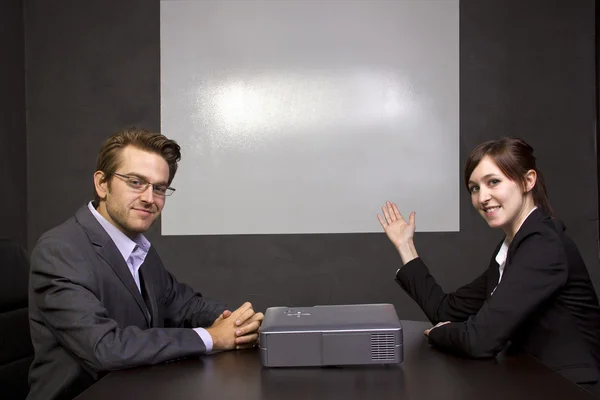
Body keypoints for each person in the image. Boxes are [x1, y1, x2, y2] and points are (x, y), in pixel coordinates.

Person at [27, 128, 264, 400]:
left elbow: (186, 305)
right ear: (102, 184)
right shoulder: (60, 250)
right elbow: (105, 347)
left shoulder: (138, 248)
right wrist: (212, 337)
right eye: (135, 182)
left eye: (159, 188)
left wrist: (237, 323)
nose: (149, 198)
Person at [378, 137, 600, 391]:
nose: (483, 197)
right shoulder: (512, 249)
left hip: (569, 388)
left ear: (528, 181)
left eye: (493, 182)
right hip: (531, 381)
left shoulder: (543, 245)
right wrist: (406, 246)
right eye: (474, 188)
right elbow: (445, 310)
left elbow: (481, 340)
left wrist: (439, 333)